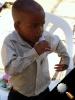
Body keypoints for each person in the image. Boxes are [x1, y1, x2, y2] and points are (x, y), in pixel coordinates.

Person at [1, 0, 70, 100]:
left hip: (43, 89)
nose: (40, 30)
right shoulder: (10, 43)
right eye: (34, 26)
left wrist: (66, 59)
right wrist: (34, 52)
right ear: (18, 26)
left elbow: (58, 44)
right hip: (20, 93)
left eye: (42, 24)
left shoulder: (45, 37)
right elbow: (11, 69)